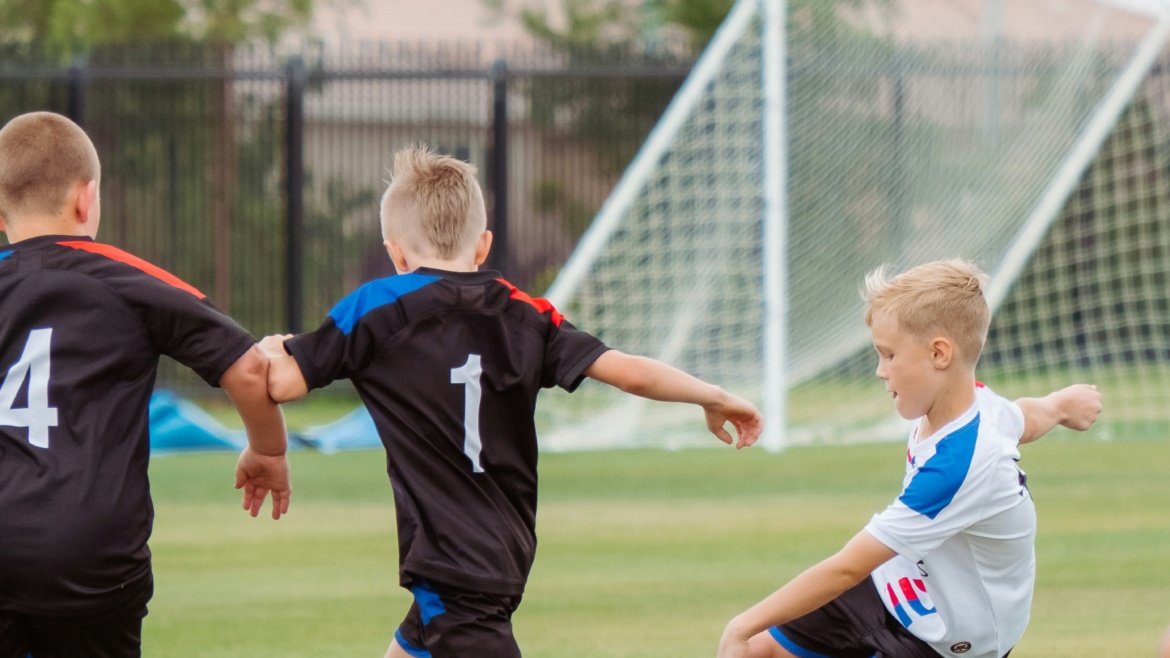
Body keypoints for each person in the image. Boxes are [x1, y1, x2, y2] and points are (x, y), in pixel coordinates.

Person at [258, 145, 763, 658]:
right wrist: (714, 396)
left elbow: (282, 384)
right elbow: (630, 372)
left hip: (451, 560)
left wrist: (274, 348)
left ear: (397, 254)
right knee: (412, 645)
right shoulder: (526, 312)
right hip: (502, 547)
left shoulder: (377, 307)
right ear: (482, 246)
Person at [0, 111, 291, 658]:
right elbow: (250, 368)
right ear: (87, 200)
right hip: (90, 554)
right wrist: (267, 450)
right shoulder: (124, 278)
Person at [717, 259, 1102, 658]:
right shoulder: (976, 406)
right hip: (894, 585)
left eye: (888, 355)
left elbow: (848, 567)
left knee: (746, 635)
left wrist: (741, 623)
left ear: (938, 354)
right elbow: (1024, 417)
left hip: (950, 640)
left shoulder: (956, 467)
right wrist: (1061, 405)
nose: (880, 371)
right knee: (755, 650)